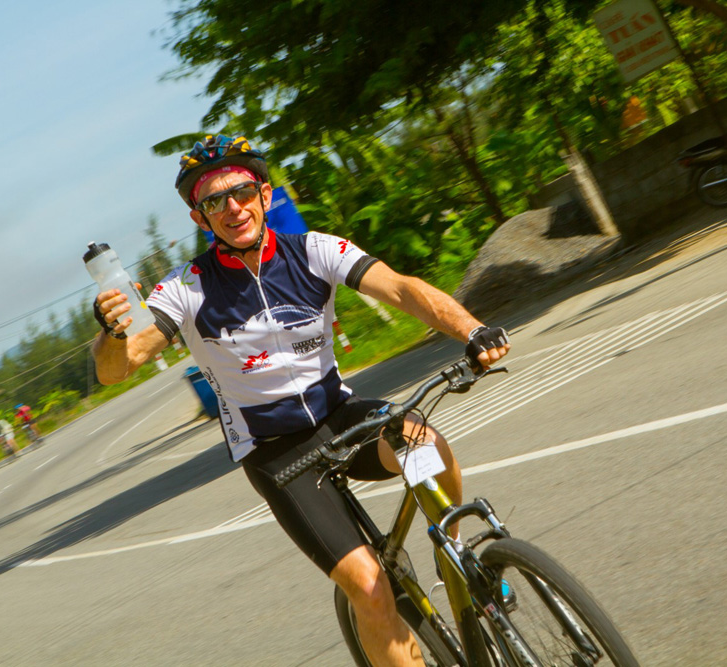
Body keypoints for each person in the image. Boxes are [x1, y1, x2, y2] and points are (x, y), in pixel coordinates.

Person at [92, 134, 510, 667]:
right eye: (214, 201)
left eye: (241, 191)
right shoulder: (185, 288)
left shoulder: (315, 250)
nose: (232, 208)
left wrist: (472, 329)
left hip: (341, 417)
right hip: (277, 454)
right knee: (372, 589)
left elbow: (401, 288)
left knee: (425, 442)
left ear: (264, 193)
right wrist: (108, 334)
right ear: (201, 219)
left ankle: (452, 555)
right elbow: (119, 367)